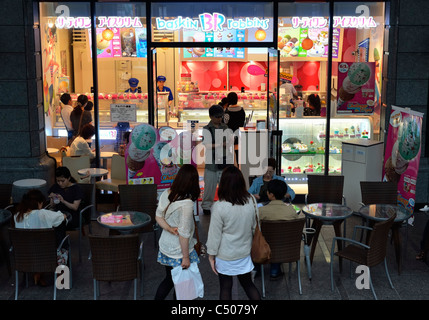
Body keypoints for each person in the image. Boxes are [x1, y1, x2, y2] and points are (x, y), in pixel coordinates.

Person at [206, 166, 261, 300]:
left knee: (225, 287)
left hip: (225, 255)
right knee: (248, 284)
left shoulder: (219, 206)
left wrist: (211, 256)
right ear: (241, 182)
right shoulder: (251, 200)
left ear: (223, 183)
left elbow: (214, 235)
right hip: (244, 252)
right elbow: (256, 226)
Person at [154, 164, 201, 300]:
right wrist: (186, 257)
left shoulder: (167, 193)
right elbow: (184, 234)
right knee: (181, 285)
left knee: (170, 280)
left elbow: (158, 215)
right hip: (179, 251)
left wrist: (168, 228)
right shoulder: (187, 204)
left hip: (166, 246)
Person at [14, 189, 69, 286]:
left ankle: (38, 273)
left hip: (24, 258)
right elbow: (61, 217)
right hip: (46, 257)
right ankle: (62, 280)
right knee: (62, 238)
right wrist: (64, 215)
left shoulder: (17, 216)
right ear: (39, 203)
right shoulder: (42, 213)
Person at [259, 179, 305, 279]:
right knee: (279, 238)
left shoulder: (261, 211)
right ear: (284, 194)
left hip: (264, 248)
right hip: (286, 248)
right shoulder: (291, 211)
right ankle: (275, 270)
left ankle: (257, 268)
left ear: (270, 194)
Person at [201, 104, 233, 215]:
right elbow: (207, 145)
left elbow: (229, 142)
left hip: (224, 160)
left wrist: (228, 143)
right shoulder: (206, 129)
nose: (219, 119)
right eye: (217, 117)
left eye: (221, 116)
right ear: (211, 117)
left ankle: (227, 205)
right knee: (210, 186)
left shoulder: (225, 127)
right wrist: (221, 144)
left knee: (225, 186)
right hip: (211, 162)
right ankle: (206, 206)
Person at [223, 92, 246, 164]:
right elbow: (242, 122)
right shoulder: (241, 110)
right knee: (239, 156)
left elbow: (225, 123)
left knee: (229, 157)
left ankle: (230, 172)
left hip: (229, 137)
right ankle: (240, 171)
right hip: (239, 135)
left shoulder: (227, 111)